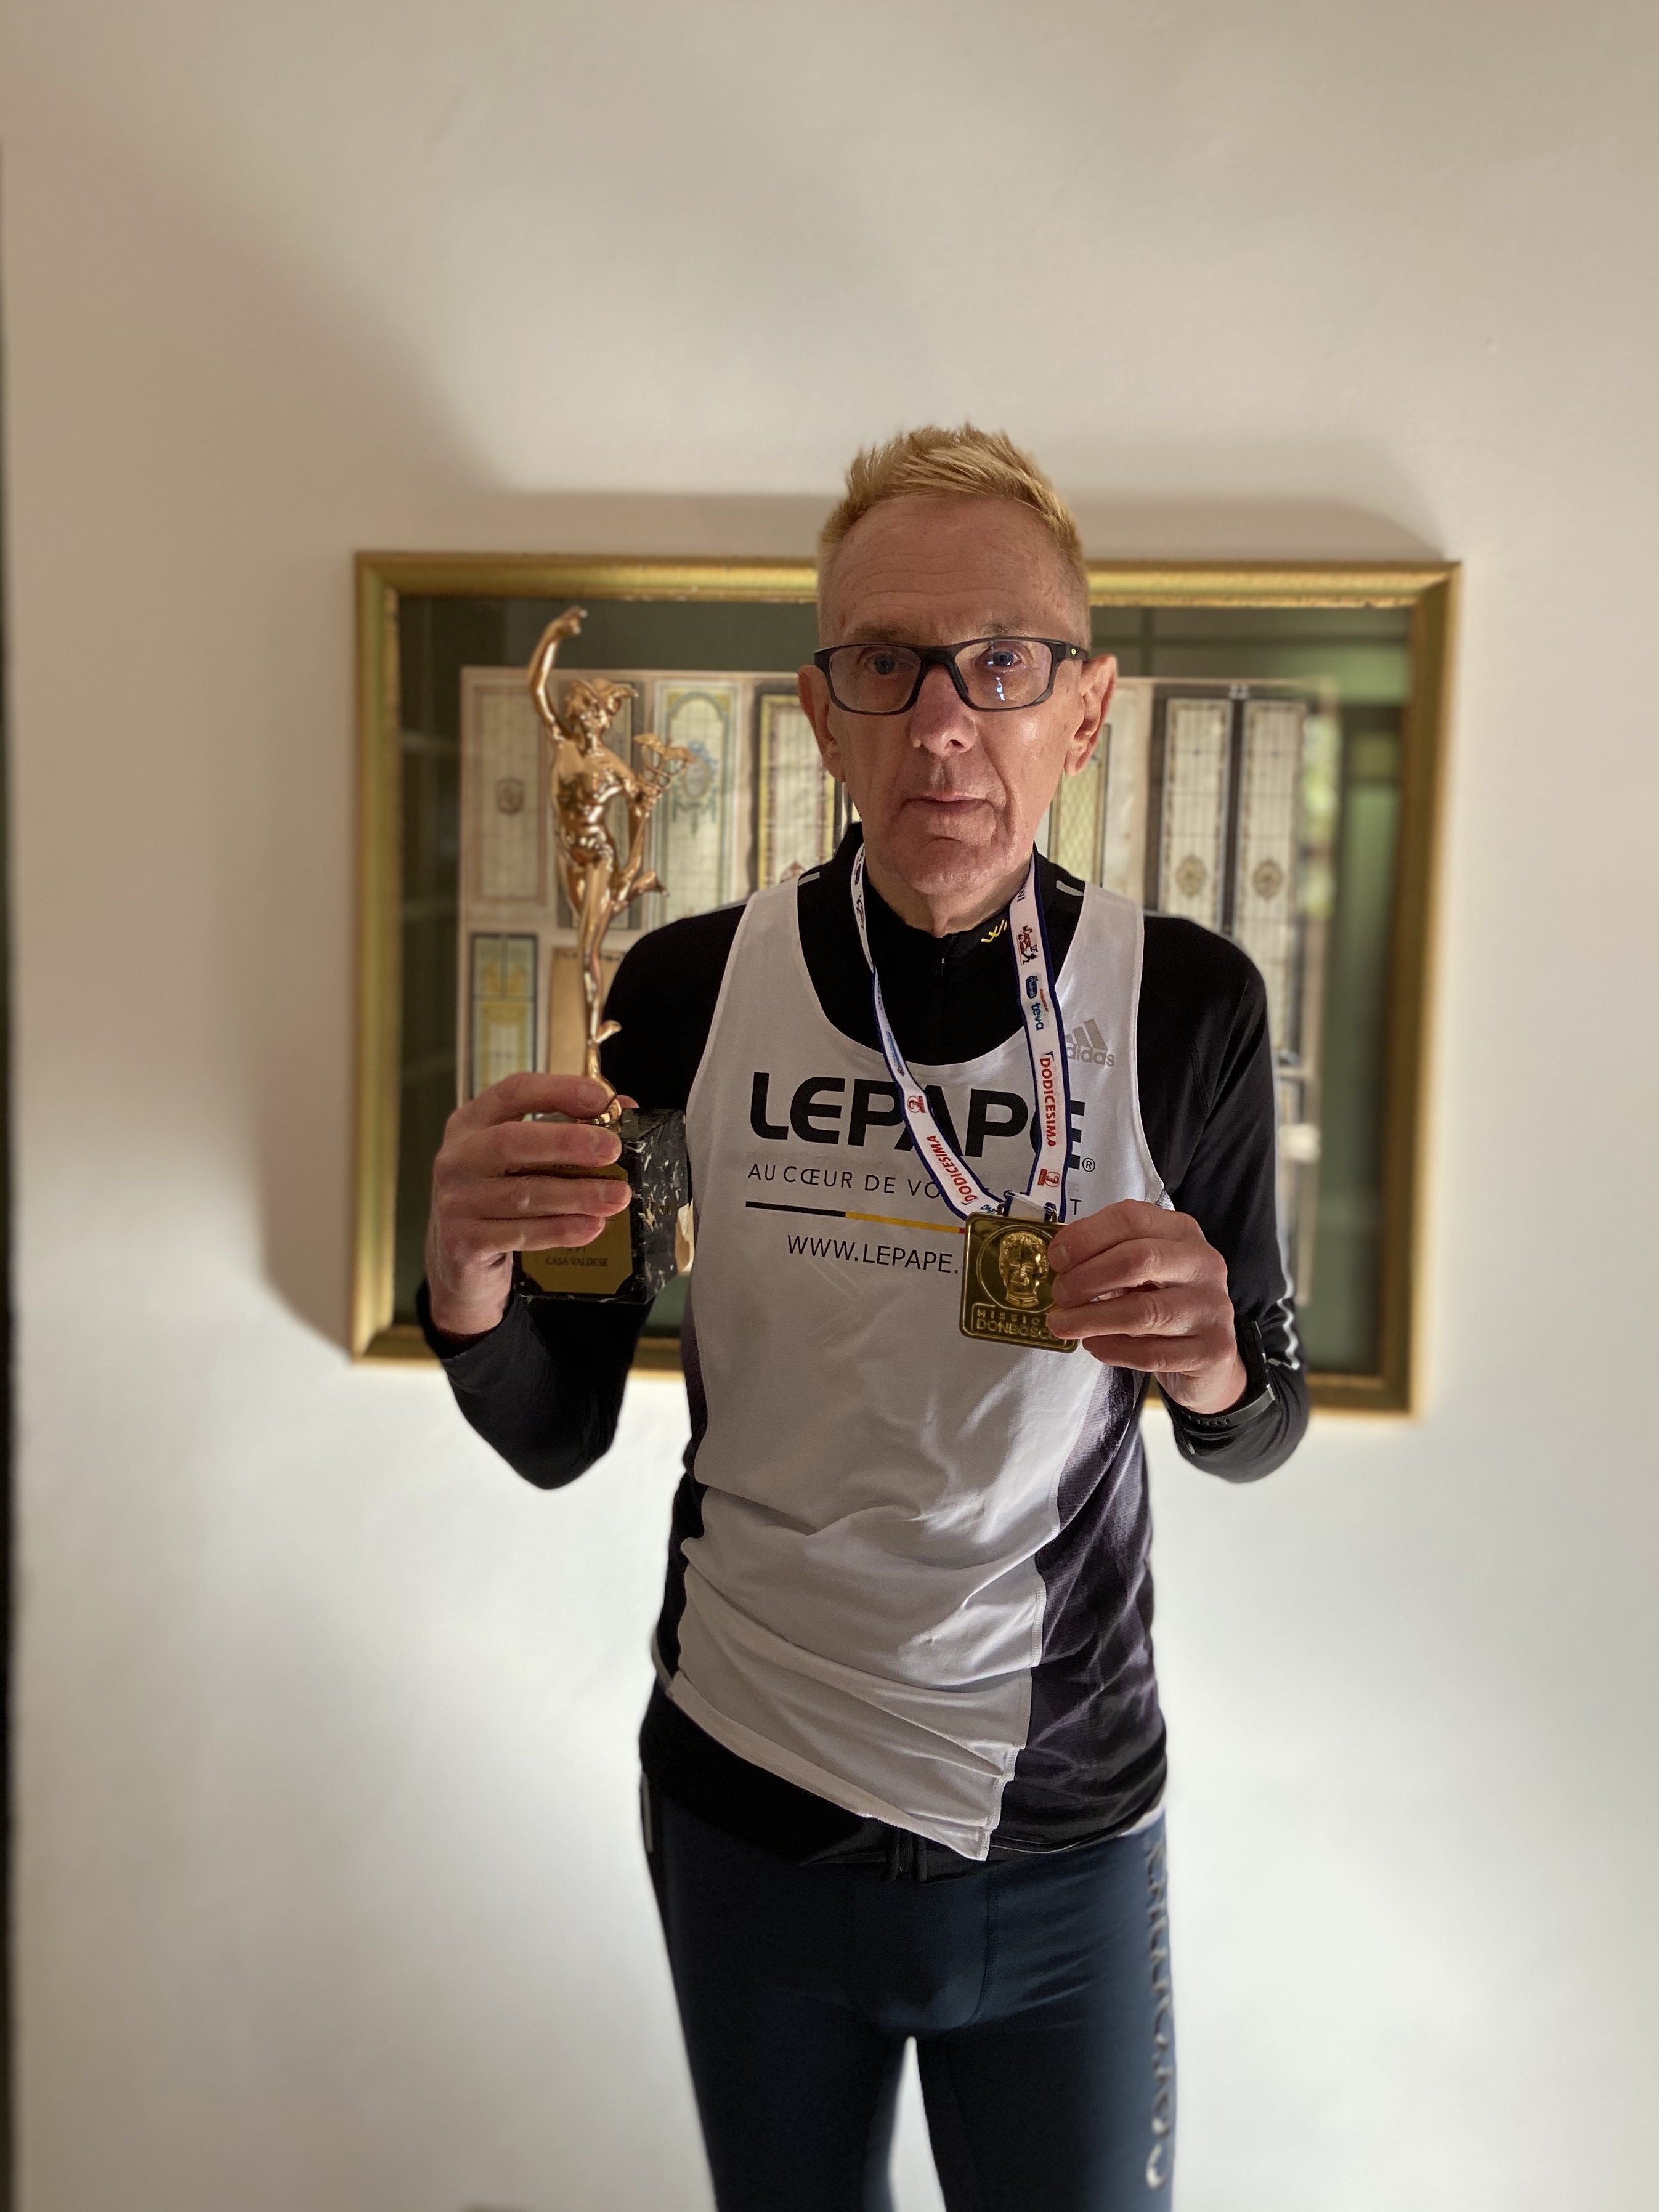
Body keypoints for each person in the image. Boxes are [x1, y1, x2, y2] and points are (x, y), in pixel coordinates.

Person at [421, 426, 1307, 2212]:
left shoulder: (1187, 1004)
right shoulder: (687, 989)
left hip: (1056, 1822)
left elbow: (1256, 1425)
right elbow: (559, 1426)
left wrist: (1216, 1357)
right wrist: (462, 1279)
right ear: (822, 713)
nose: (945, 723)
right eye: (887, 665)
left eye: (1004, 663)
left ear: (1086, 708)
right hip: (747, 1793)